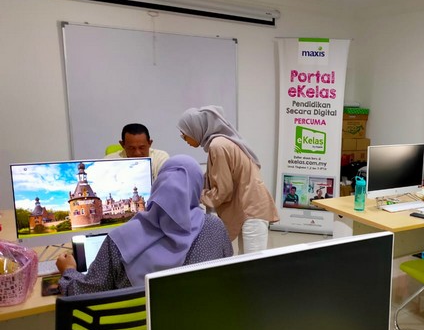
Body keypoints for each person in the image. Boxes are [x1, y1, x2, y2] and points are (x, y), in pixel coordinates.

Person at [56, 155, 233, 295]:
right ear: (196, 188)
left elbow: (85, 292)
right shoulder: (215, 228)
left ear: (158, 187)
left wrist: (69, 270)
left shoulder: (118, 241)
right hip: (202, 325)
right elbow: (228, 275)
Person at [177, 105, 279, 254]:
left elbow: (223, 191)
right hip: (248, 208)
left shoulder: (217, 146)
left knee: (253, 263)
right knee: (245, 261)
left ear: (196, 128)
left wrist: (199, 196)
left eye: (184, 133)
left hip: (251, 209)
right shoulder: (220, 143)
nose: (184, 138)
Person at [105, 123, 170, 180]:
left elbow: (165, 185)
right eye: (131, 148)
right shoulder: (109, 161)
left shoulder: (160, 158)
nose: (137, 153)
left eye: (142, 148)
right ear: (122, 145)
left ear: (150, 143)